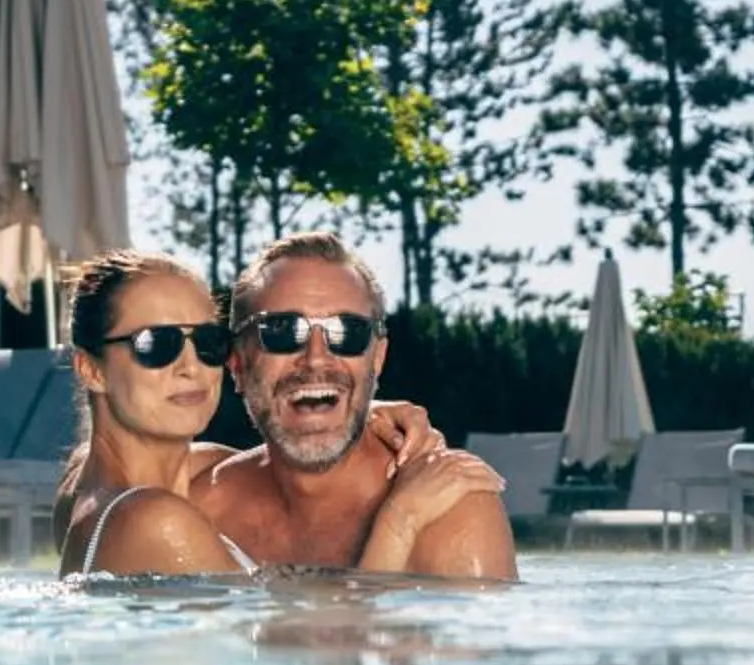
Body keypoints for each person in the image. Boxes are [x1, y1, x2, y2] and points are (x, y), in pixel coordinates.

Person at [56, 247, 490, 576]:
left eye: (207, 343)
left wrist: (351, 408)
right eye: (156, 345)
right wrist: (400, 521)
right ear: (91, 369)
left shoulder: (83, 488)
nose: (191, 367)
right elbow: (320, 661)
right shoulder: (157, 521)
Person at [191, 231, 519, 580]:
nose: (316, 359)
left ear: (377, 359)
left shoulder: (451, 509)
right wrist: (397, 524)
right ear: (238, 364)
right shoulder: (201, 507)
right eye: (282, 331)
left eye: (348, 332)